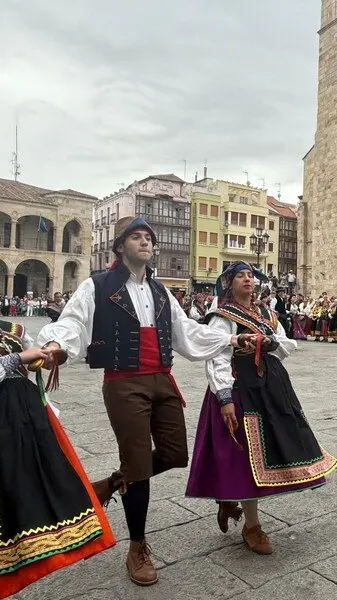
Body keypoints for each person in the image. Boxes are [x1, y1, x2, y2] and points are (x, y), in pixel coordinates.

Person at [36, 217, 254, 587]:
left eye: (148, 238)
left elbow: (188, 333)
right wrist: (57, 344)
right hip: (124, 383)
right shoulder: (98, 285)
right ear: (120, 246)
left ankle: (111, 483)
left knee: (173, 454)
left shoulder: (161, 291)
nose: (145, 242)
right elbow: (74, 321)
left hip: (162, 379)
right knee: (138, 463)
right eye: (136, 237)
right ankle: (137, 546)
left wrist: (230, 341)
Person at [186, 262, 337, 553]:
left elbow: (284, 345)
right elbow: (218, 356)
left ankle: (228, 501)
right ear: (228, 282)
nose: (247, 280)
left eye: (250, 276)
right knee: (245, 457)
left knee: (266, 452)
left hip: (270, 385)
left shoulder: (266, 312)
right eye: (240, 276)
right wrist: (225, 397)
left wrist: (268, 342)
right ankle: (251, 526)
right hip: (240, 387)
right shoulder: (222, 316)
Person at [0, 321, 115, 597]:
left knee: (29, 490)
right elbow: (20, 359)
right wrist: (17, 358)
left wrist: (48, 354)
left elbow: (33, 361)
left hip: (26, 419)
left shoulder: (12, 329)